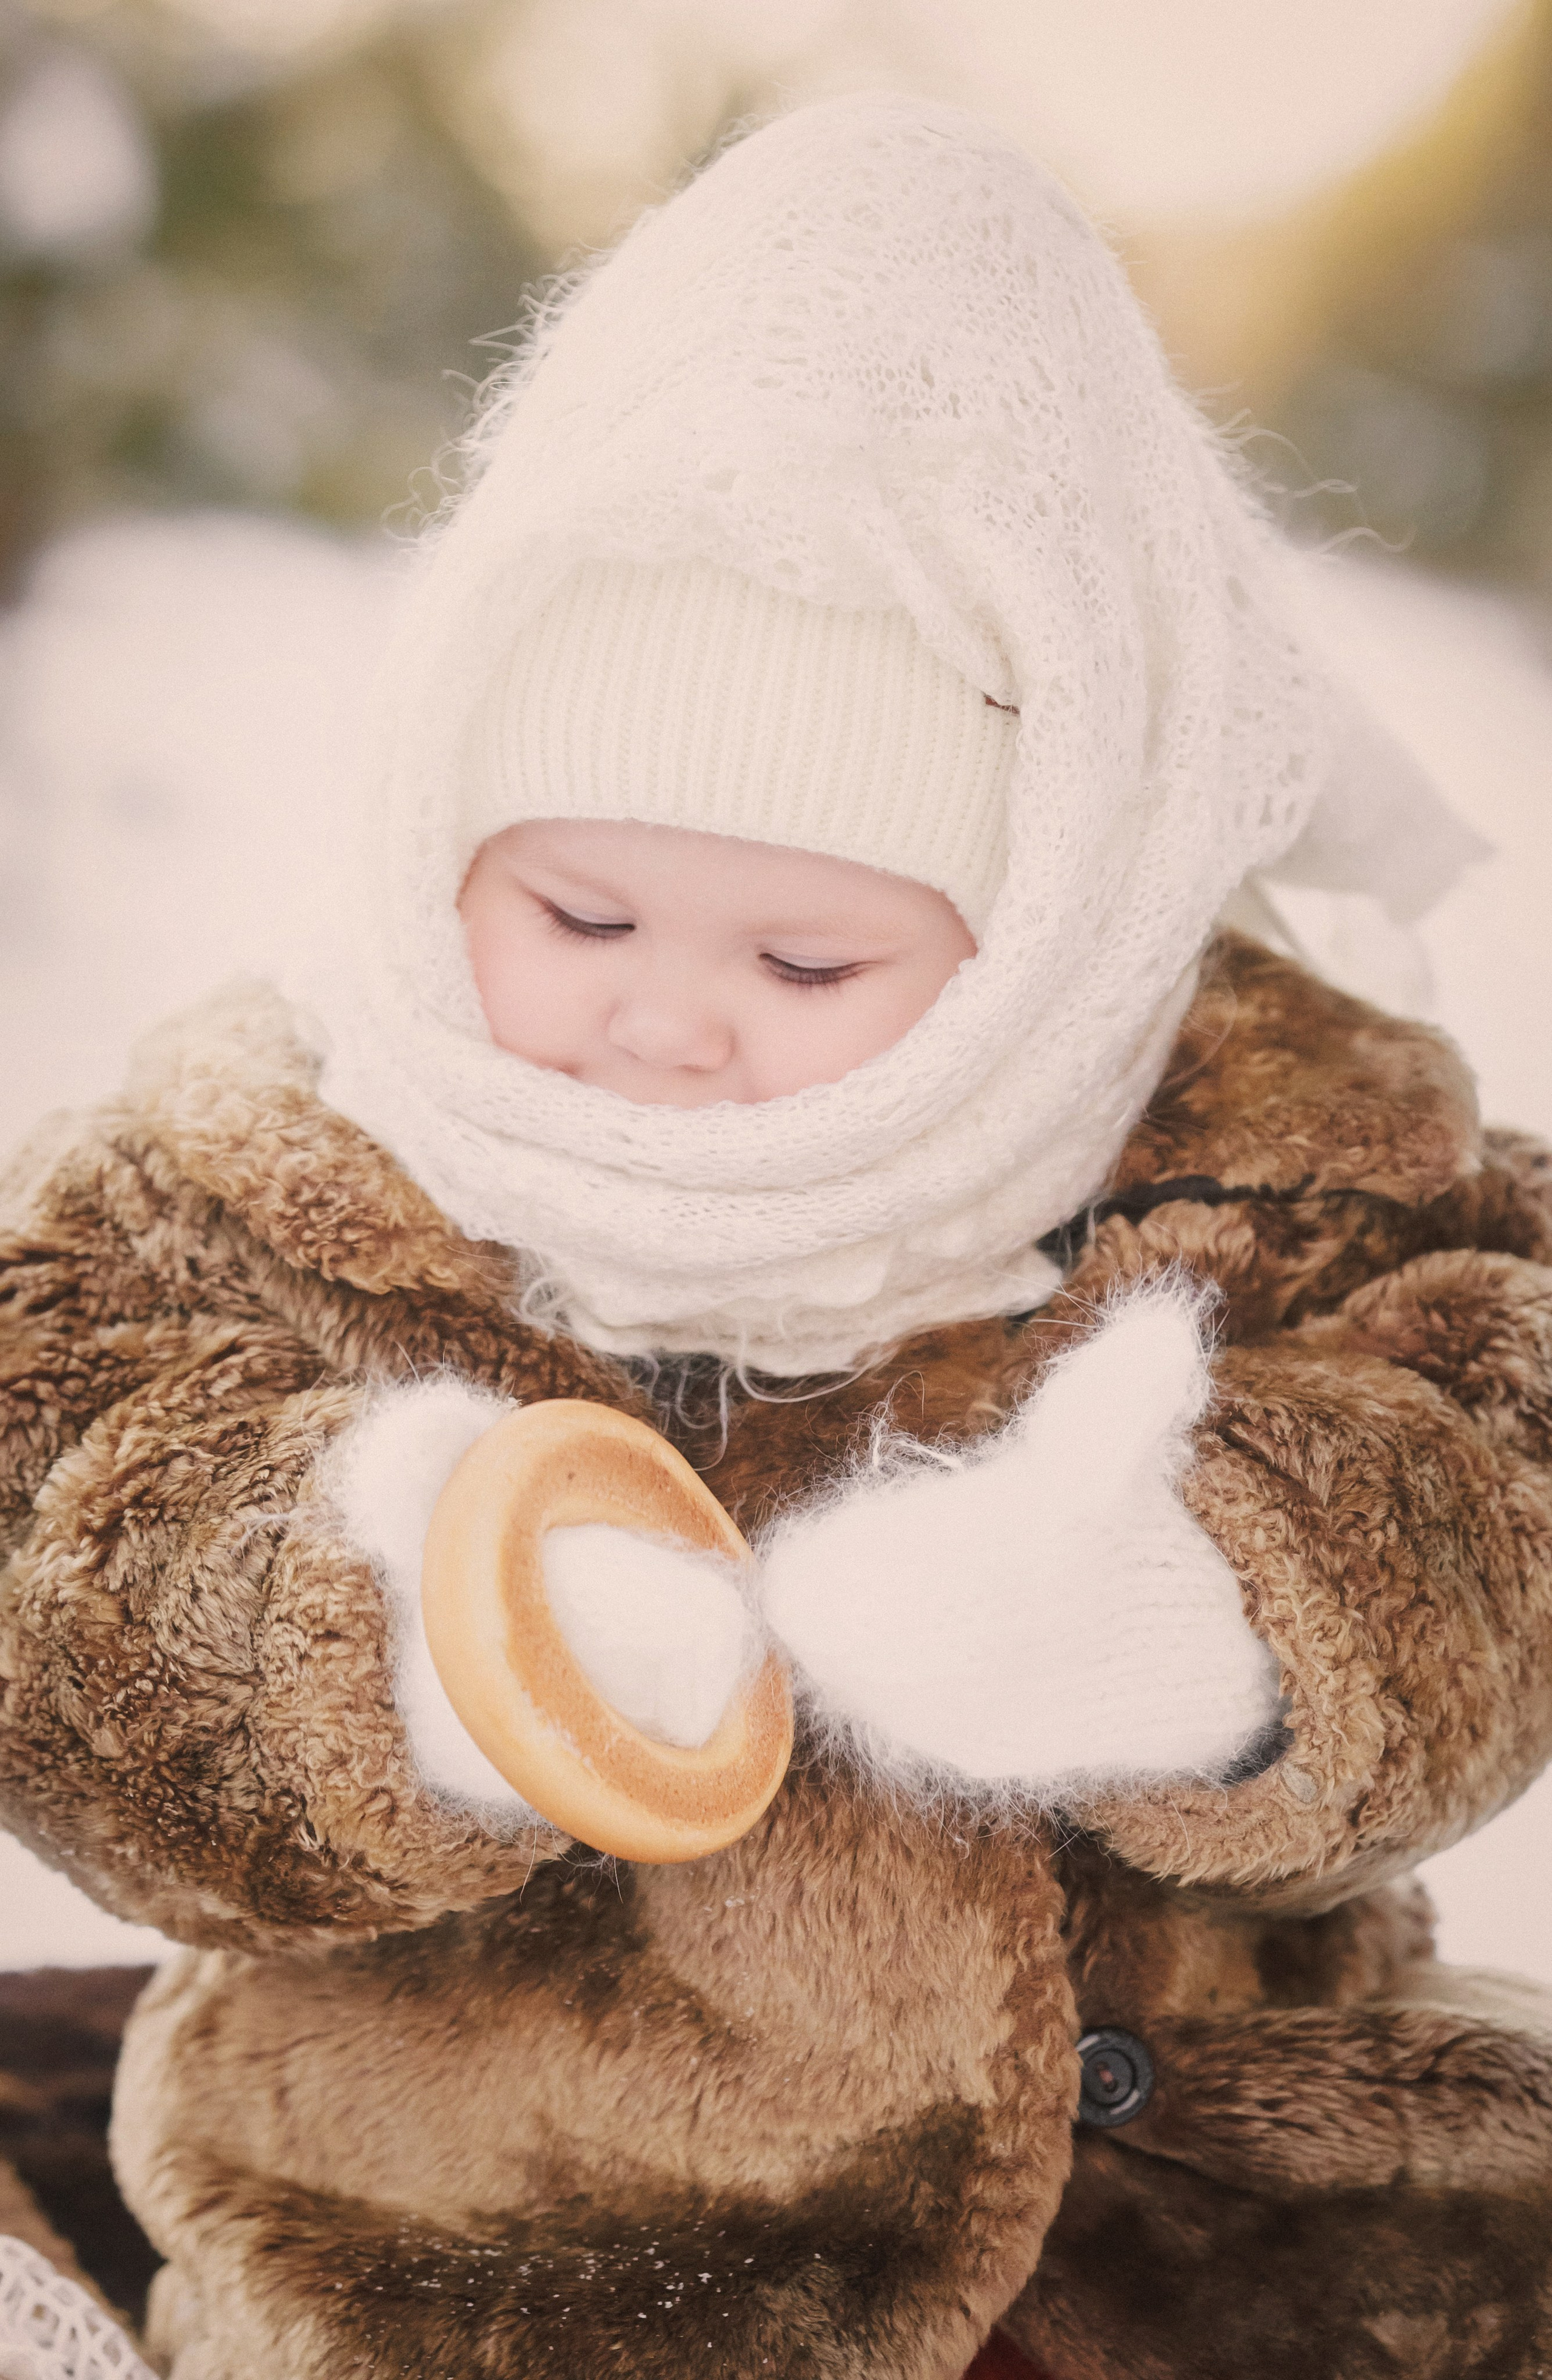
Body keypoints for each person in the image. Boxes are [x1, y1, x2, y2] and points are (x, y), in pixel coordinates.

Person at [7, 96, 1550, 2380]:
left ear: (1049, 952)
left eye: (803, 967)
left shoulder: (1285, 1164)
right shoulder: (273, 1173)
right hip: (468, 2269)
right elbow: (58, 1554)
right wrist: (401, 1646)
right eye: (582, 908)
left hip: (1206, 2268)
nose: (663, 1016)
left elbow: (1498, 1461)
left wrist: (1227, 1622)